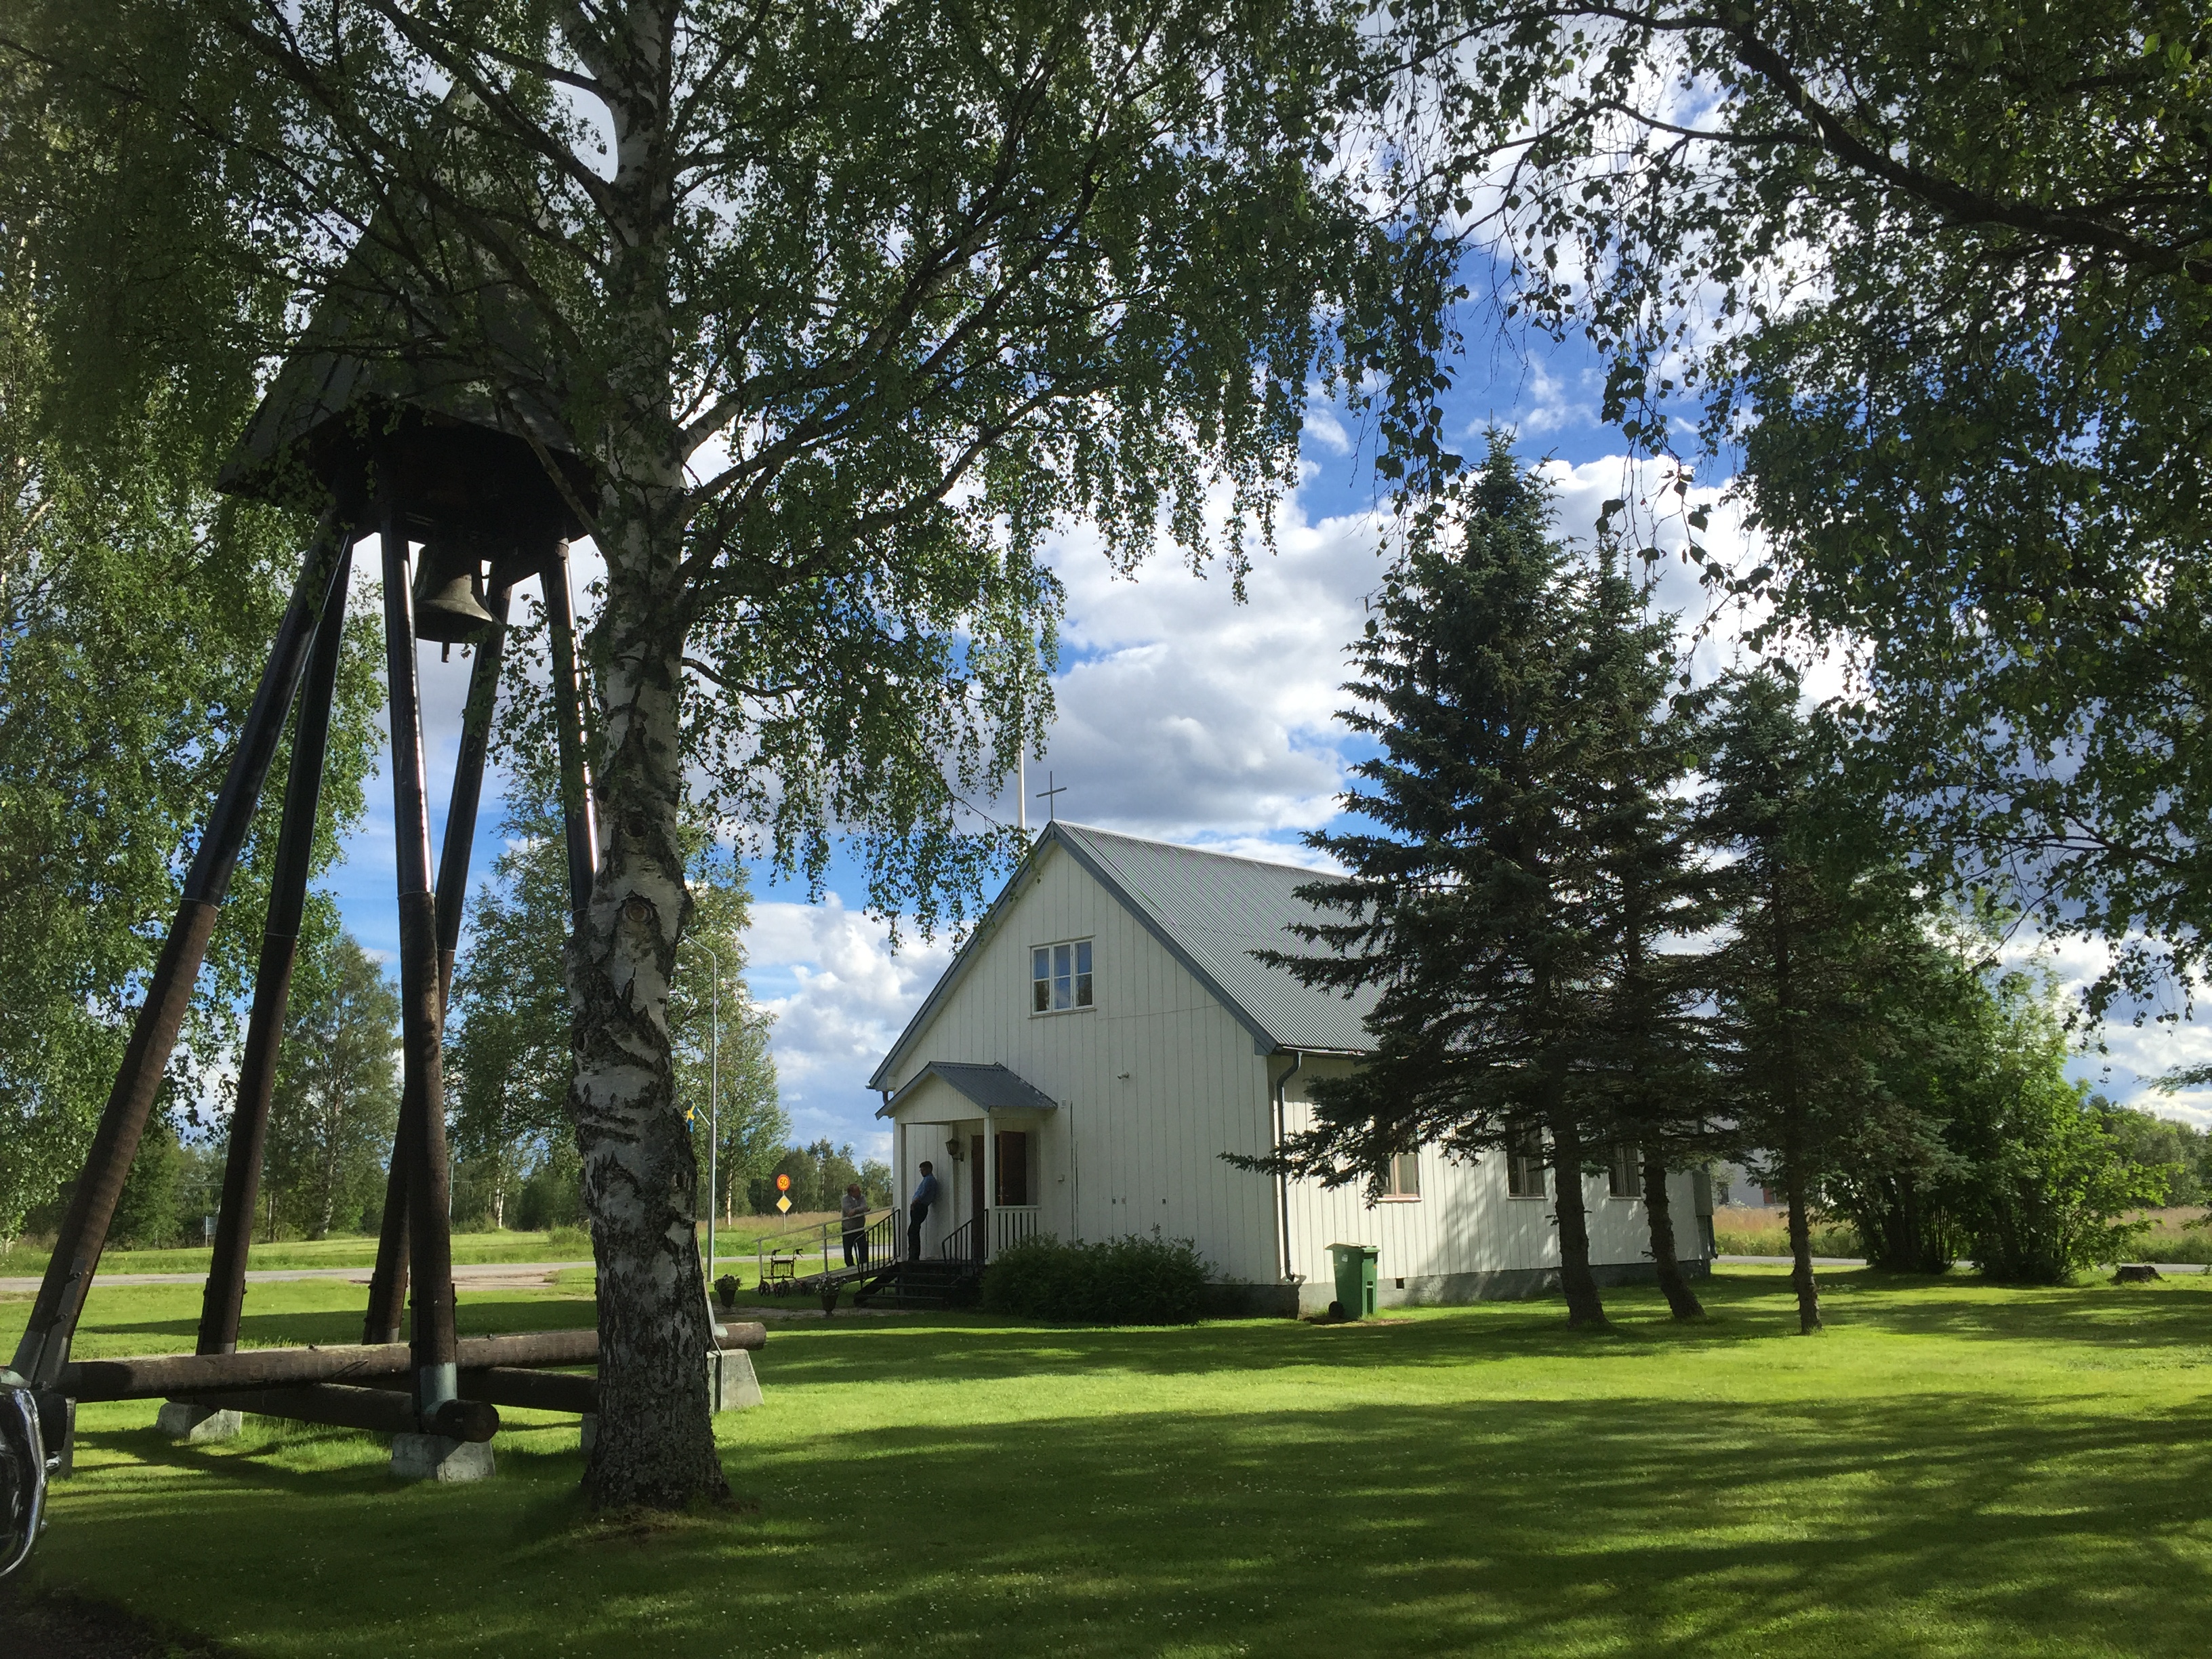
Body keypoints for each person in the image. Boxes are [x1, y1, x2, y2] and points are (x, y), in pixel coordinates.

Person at [907, 1160, 941, 1261]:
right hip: (920, 1206)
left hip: (920, 1207)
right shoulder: (927, 1179)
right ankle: (913, 1255)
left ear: (929, 1169)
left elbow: (923, 1193)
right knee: (914, 1230)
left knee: (913, 1231)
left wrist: (915, 1202)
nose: (922, 1172)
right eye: (921, 1170)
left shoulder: (929, 1180)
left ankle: (914, 1256)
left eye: (923, 1170)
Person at [840, 1182, 869, 1269]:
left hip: (860, 1227)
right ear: (851, 1193)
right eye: (857, 1191)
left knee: (863, 1247)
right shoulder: (845, 1199)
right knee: (848, 1250)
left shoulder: (862, 1197)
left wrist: (855, 1210)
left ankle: (863, 1265)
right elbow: (848, 1211)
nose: (859, 1192)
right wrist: (861, 1210)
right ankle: (851, 1267)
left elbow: (864, 1206)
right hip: (848, 1228)